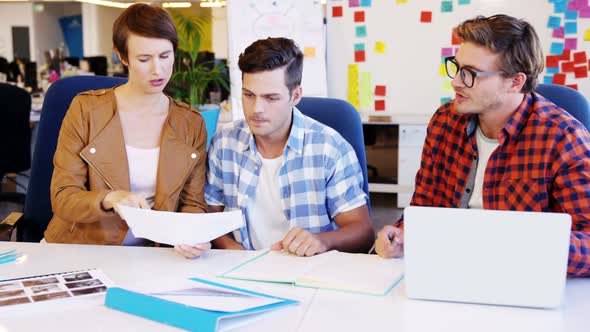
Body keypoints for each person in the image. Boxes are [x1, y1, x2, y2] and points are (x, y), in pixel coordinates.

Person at [374, 14, 590, 277]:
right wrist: (402, 235)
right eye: (457, 67)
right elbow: (424, 206)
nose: (455, 82)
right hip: (446, 269)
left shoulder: (564, 137)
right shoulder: (445, 120)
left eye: (471, 74)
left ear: (515, 81)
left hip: (519, 275)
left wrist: (526, 246)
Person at [175, 37, 374, 258]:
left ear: (295, 96)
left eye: (271, 98)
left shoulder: (330, 148)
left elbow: (363, 233)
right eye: (249, 95)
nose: (256, 109)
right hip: (241, 271)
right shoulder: (224, 143)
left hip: (307, 272)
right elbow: (208, 218)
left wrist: (321, 241)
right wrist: (232, 250)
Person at [44, 4, 209, 256]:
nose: (158, 70)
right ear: (122, 57)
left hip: (156, 255)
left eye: (165, 56)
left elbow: (192, 203)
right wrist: (109, 199)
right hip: (81, 249)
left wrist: (194, 236)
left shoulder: (190, 123)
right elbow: (63, 197)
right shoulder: (86, 110)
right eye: (144, 59)